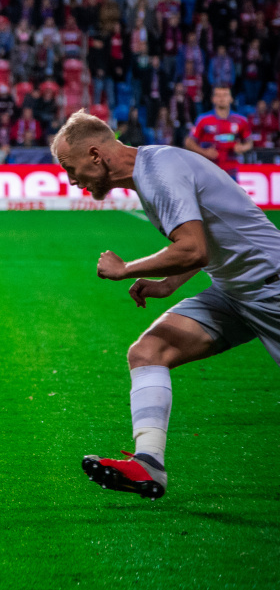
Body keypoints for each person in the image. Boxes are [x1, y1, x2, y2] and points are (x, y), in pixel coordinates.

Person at [53, 110, 280, 500]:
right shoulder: (153, 170)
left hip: (270, 287)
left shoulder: (159, 172)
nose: (72, 180)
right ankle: (148, 464)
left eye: (70, 168)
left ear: (95, 155)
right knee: (148, 351)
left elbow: (192, 248)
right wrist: (168, 283)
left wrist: (126, 269)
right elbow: (205, 240)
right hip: (233, 291)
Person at [185, 86, 251, 177]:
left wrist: (242, 148)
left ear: (231, 98)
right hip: (209, 171)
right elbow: (189, 142)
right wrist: (204, 152)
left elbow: (249, 142)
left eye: (225, 95)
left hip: (231, 171)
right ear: (213, 99)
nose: (222, 98)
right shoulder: (203, 120)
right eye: (218, 95)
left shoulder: (241, 120)